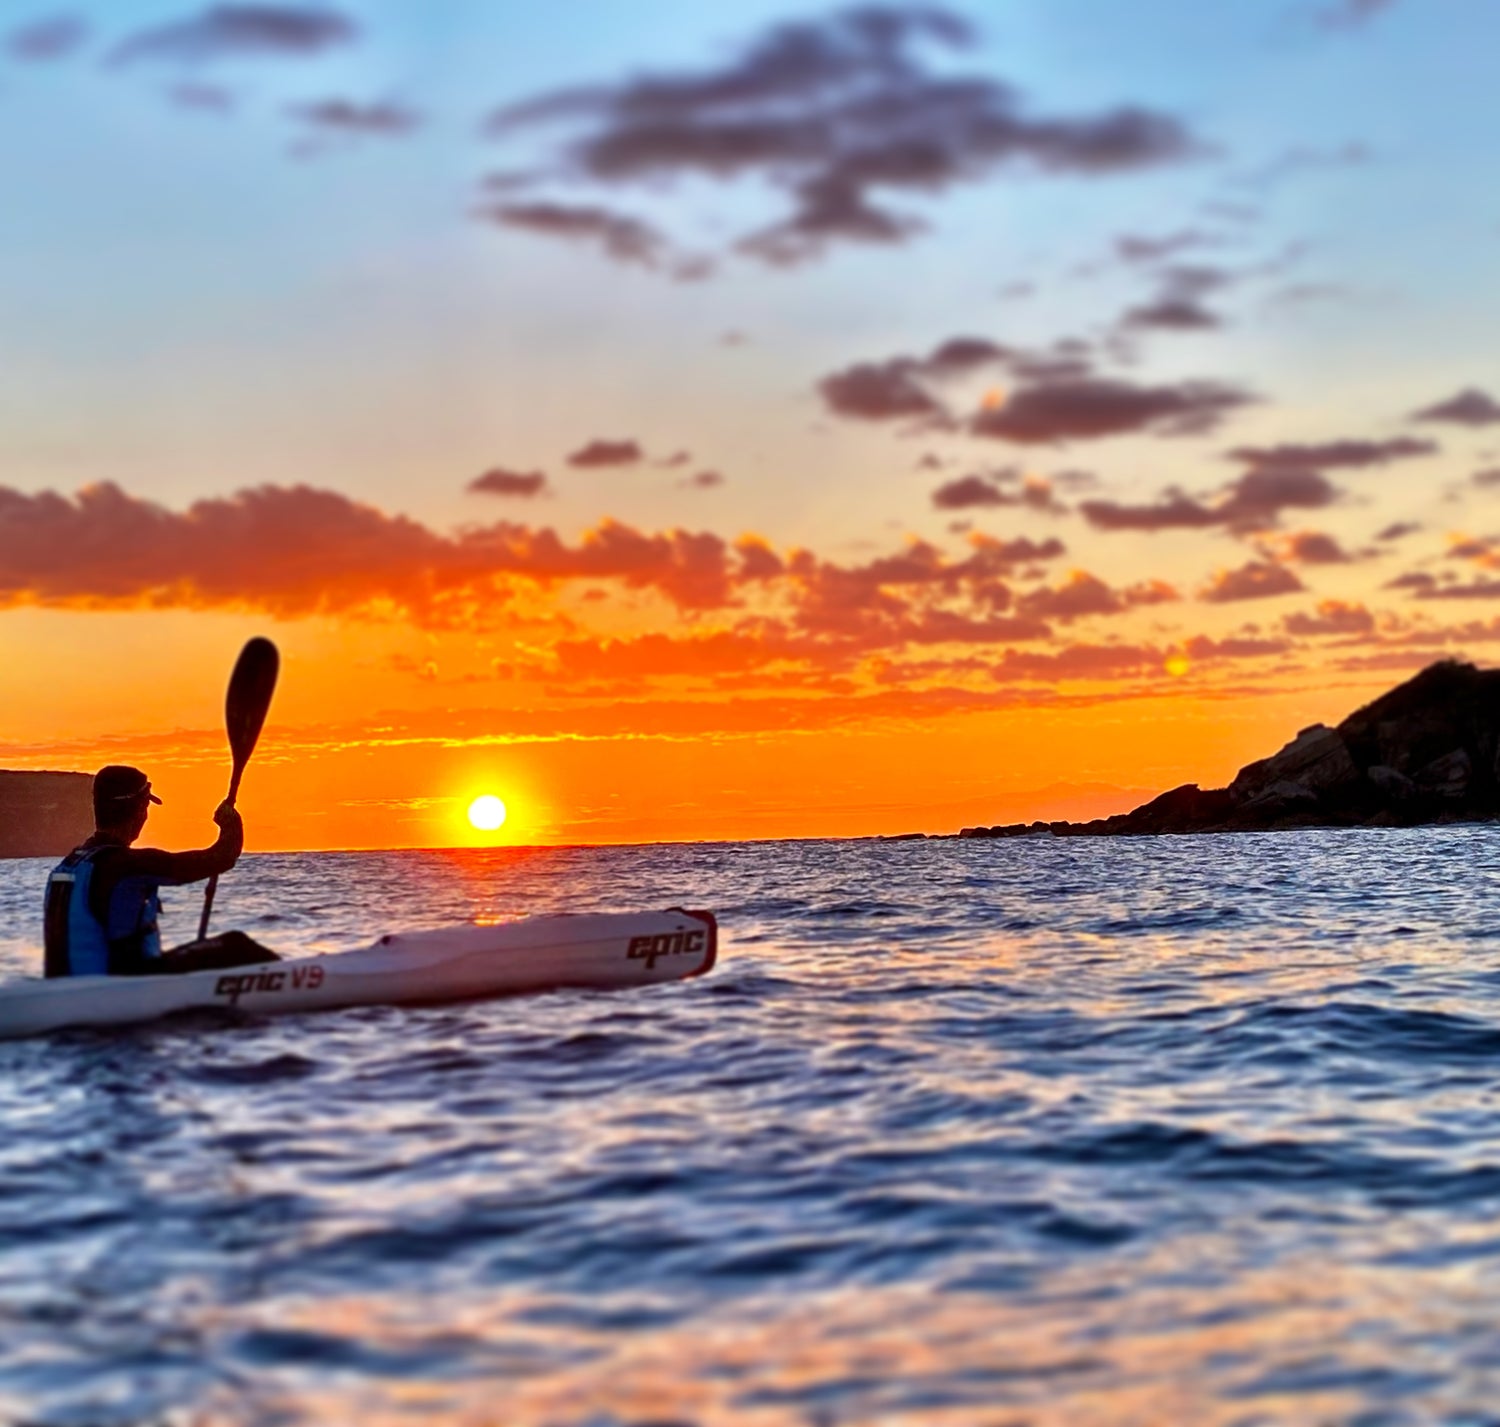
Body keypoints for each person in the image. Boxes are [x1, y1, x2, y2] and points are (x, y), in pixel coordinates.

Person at [43, 765, 279, 978]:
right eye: (145, 806)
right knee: (236, 946)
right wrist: (230, 825)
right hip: (127, 984)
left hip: (70, 986)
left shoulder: (68, 865)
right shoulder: (126, 865)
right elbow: (221, 858)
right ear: (138, 810)